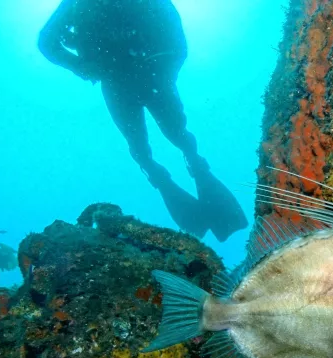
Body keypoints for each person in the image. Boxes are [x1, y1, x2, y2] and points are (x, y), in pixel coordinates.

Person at [38, 0, 247, 241]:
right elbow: (47, 41)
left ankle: (194, 170)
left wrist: (165, 70)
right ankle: (177, 178)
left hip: (144, 76)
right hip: (131, 80)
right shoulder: (77, 3)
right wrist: (79, 66)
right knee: (146, 146)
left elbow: (176, 37)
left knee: (171, 136)